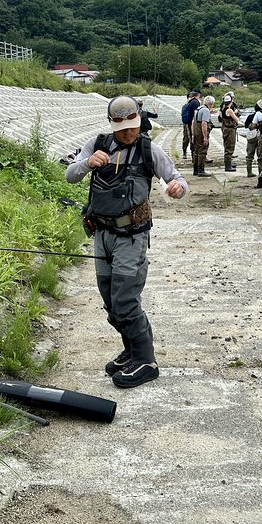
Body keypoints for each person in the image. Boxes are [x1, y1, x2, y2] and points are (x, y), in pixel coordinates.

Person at [65, 96, 188, 388]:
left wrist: (176, 188)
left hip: (132, 238)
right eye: (122, 128)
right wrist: (87, 162)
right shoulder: (96, 144)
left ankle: (146, 360)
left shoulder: (150, 150)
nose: (129, 133)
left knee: (125, 300)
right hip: (101, 235)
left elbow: (178, 180)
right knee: (110, 301)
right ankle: (131, 350)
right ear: (111, 124)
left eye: (133, 126)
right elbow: (70, 176)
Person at [246, 95, 262, 179]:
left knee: (250, 154)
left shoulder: (254, 115)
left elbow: (249, 126)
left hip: (253, 137)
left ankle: (249, 172)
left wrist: (257, 125)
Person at [191, 95, 214, 177]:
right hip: (201, 133)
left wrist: (193, 134)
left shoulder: (198, 109)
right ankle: (201, 170)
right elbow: (204, 123)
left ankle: (195, 170)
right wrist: (205, 137)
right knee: (202, 151)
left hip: (196, 132)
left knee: (196, 151)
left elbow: (193, 122)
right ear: (210, 104)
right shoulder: (206, 111)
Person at [219, 94, 240, 172]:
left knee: (226, 145)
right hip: (230, 130)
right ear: (231, 102)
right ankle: (228, 166)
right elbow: (236, 120)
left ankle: (229, 163)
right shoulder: (229, 110)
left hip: (225, 129)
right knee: (230, 147)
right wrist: (235, 113)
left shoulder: (223, 109)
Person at [181, 90, 200, 160]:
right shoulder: (190, 104)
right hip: (188, 123)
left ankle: (185, 152)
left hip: (187, 123)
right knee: (188, 138)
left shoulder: (188, 104)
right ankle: (185, 152)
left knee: (187, 138)